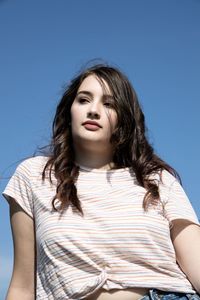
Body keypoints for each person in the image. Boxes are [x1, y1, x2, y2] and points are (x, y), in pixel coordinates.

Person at [2, 63, 200, 300]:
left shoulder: (156, 179)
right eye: (84, 100)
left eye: (109, 104)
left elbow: (195, 262)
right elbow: (23, 287)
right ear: (69, 111)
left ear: (124, 119)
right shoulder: (34, 175)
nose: (93, 110)